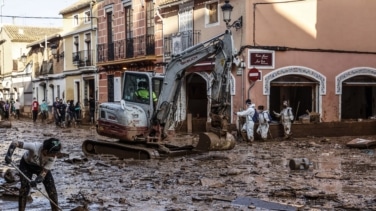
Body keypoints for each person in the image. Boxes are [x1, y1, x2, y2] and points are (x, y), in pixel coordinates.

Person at [4, 138, 62, 211]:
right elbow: (15, 142)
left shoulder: (53, 158)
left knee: (52, 189)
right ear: (46, 150)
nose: (54, 156)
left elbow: (44, 172)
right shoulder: (34, 147)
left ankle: (55, 209)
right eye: (53, 154)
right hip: (26, 165)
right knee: (24, 189)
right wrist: (9, 155)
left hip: (41, 167)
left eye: (56, 154)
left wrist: (36, 181)